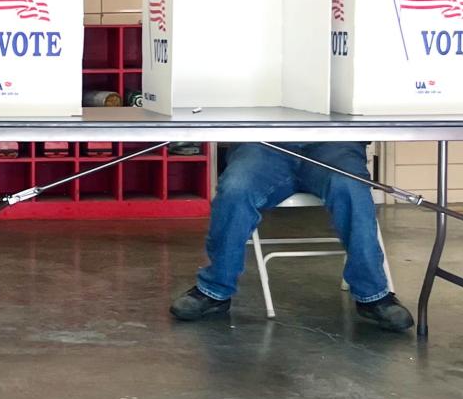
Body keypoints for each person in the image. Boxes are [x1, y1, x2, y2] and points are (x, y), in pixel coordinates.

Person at [169, 141, 414, 331]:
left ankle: (373, 296)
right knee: (235, 189)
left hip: (334, 144)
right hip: (263, 144)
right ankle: (215, 290)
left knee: (351, 188)